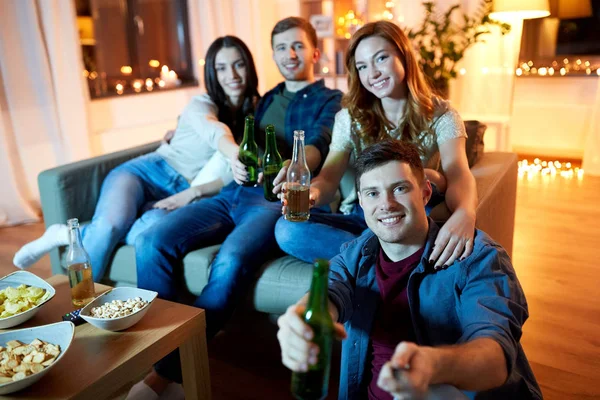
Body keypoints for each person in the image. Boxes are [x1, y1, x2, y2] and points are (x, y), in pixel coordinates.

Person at [126, 17, 342, 400]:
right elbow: (222, 130)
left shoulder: (332, 101)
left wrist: (295, 167)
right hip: (232, 195)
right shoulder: (264, 100)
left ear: (315, 51)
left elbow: (322, 144)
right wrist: (180, 130)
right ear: (273, 55)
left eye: (298, 46)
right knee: (152, 240)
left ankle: (163, 375)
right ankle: (160, 353)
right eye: (281, 47)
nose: (290, 54)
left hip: (274, 203)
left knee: (230, 260)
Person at [277, 139, 541, 400]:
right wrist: (302, 320)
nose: (387, 204)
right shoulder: (356, 254)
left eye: (400, 188)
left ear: (425, 193)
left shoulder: (479, 258)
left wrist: (433, 366)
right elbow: (328, 292)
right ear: (361, 202)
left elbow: (494, 357)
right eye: (372, 193)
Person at [12, 36, 260, 282]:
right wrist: (233, 152)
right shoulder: (201, 104)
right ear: (211, 73)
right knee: (109, 226)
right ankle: (80, 309)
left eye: (238, 64)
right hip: (146, 172)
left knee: (148, 231)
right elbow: (213, 131)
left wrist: (193, 192)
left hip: (177, 194)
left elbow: (234, 174)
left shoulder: (258, 113)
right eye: (221, 67)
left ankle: (71, 234)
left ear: (248, 66)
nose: (232, 75)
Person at [274, 20, 477, 270]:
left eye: (381, 58)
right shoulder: (349, 118)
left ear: (403, 57)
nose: (373, 73)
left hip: (405, 217)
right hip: (362, 215)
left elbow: (458, 174)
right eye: (362, 66)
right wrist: (312, 194)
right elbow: (327, 180)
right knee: (286, 230)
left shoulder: (441, 115)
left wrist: (465, 214)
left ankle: (369, 262)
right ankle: (389, 263)